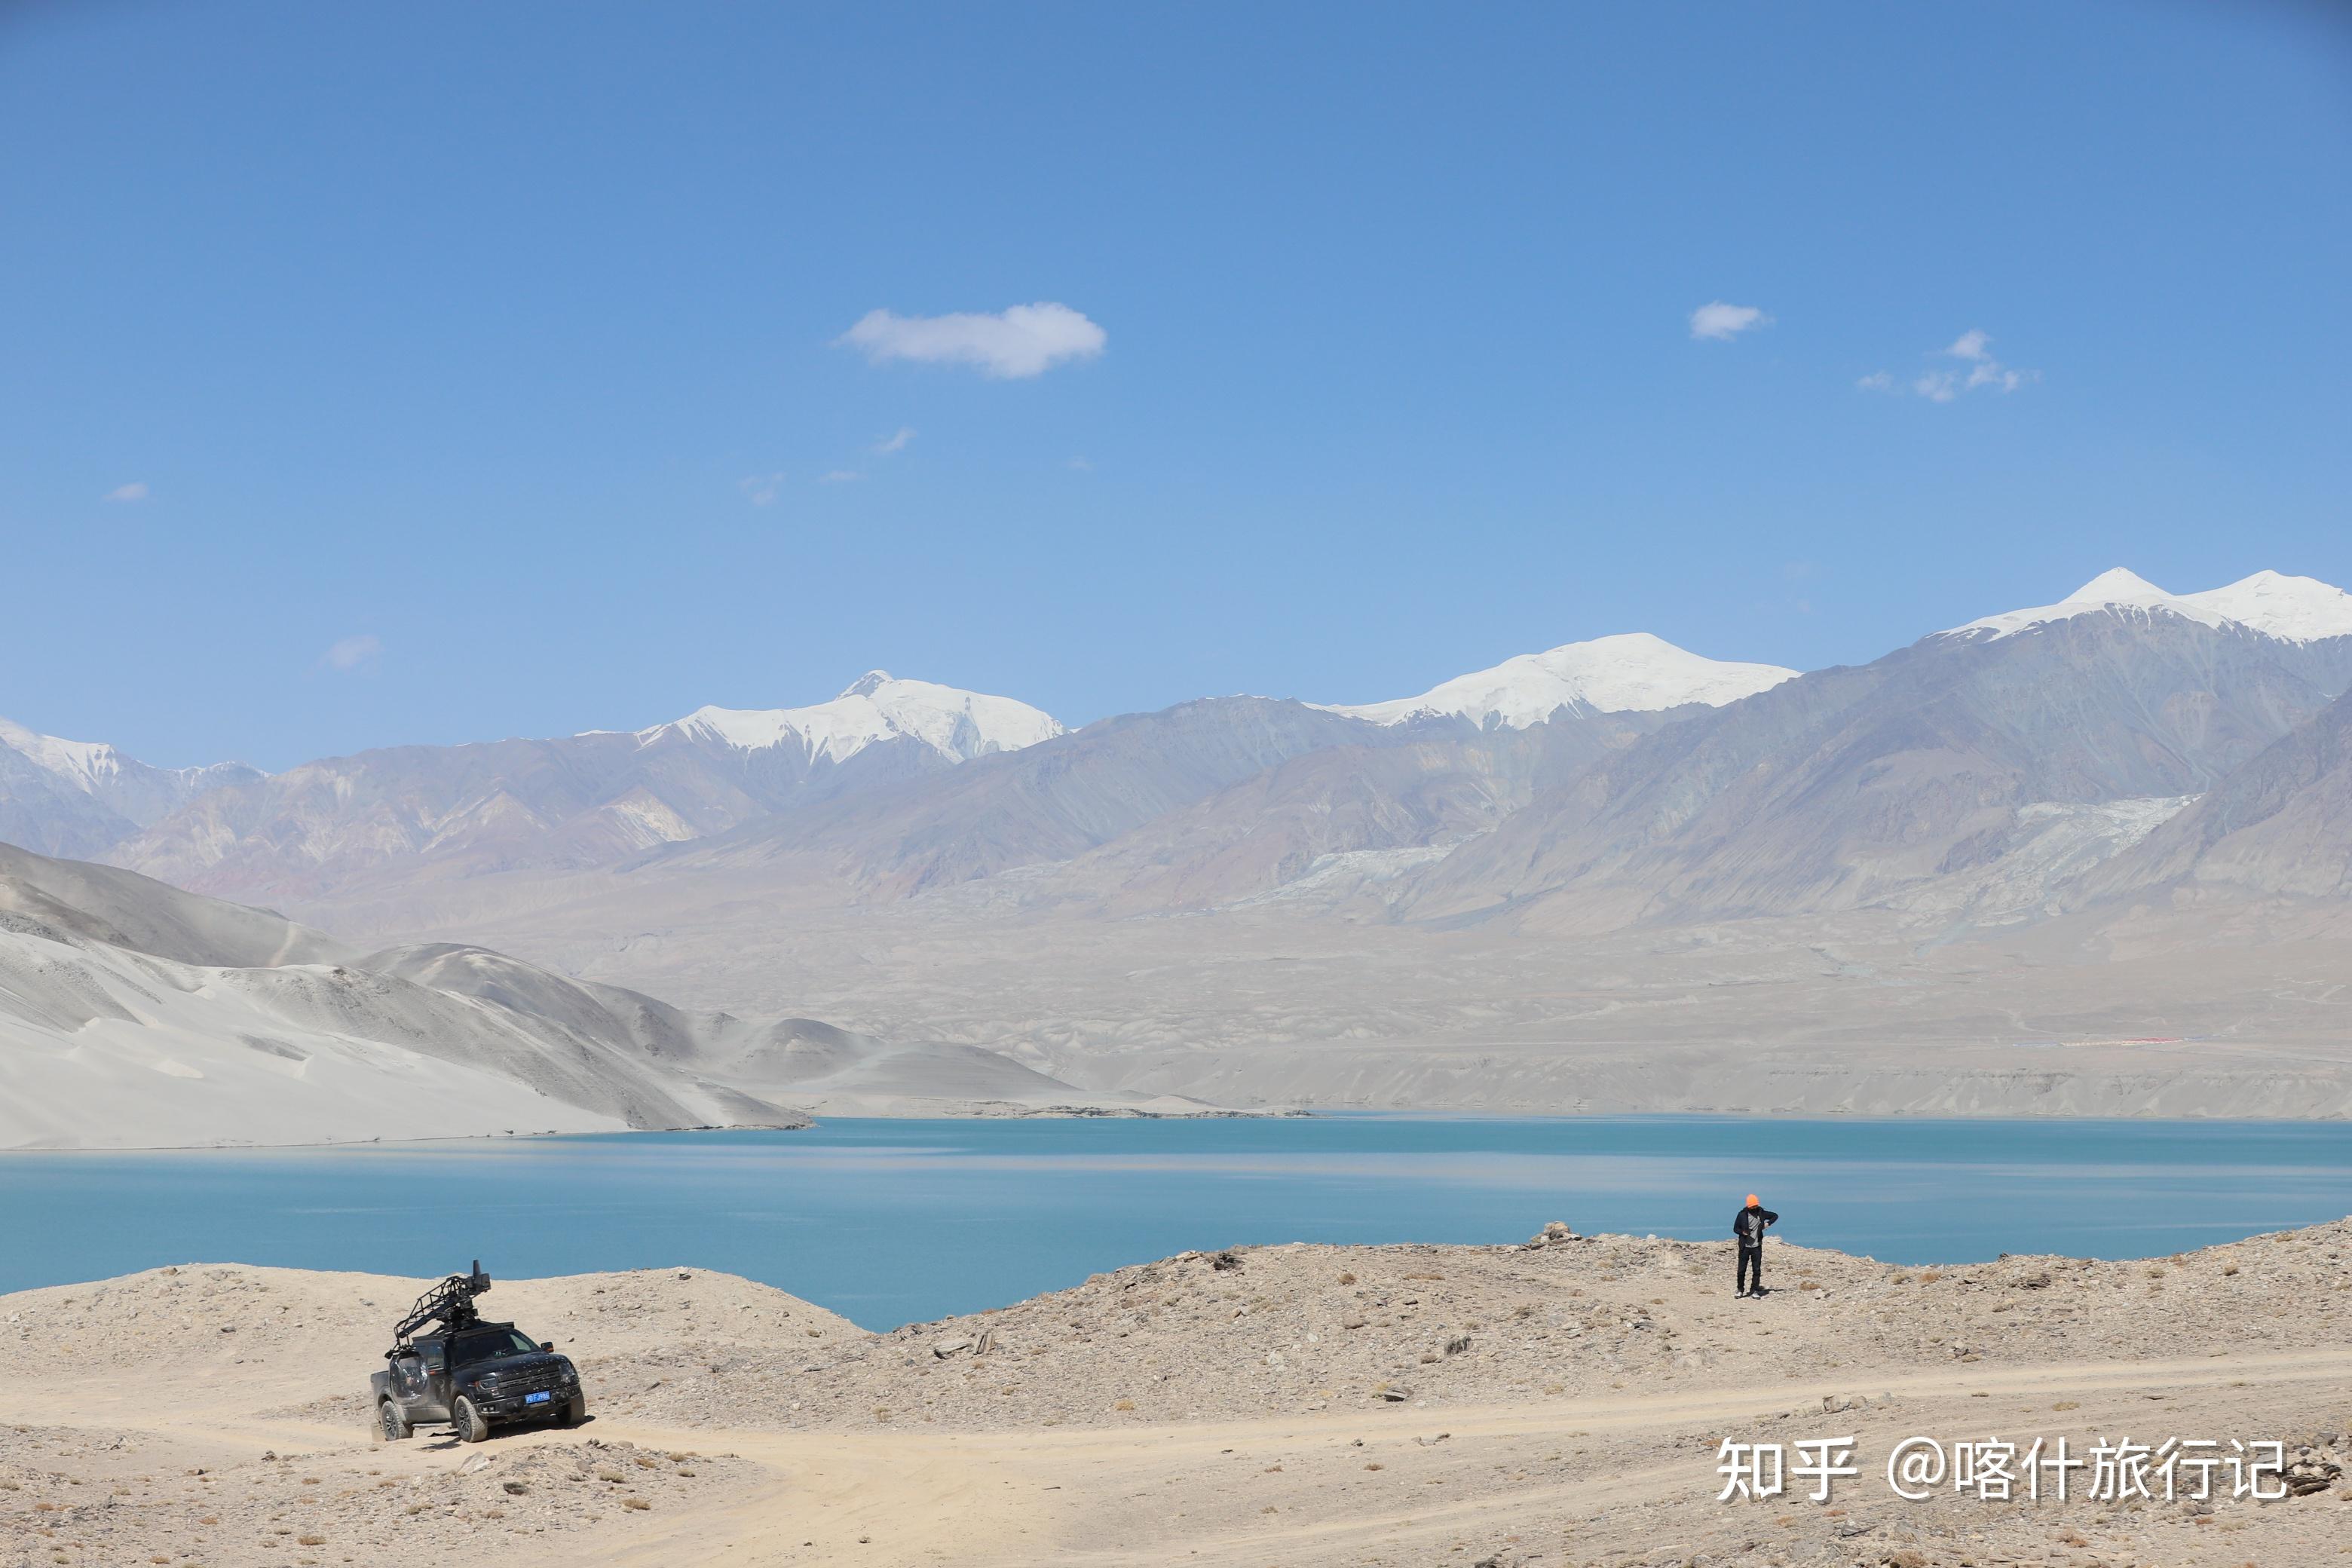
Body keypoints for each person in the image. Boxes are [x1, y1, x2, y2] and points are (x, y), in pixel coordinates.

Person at [1732, 1193, 1778, 1297]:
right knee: (1741, 1270)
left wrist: (1768, 1223)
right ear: (1748, 1206)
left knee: (1756, 1270)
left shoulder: (1761, 1213)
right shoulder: (1742, 1215)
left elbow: (1775, 1216)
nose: (1754, 1208)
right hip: (1745, 1247)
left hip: (1757, 1246)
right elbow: (1735, 1229)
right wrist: (1743, 1232)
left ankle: (1754, 1291)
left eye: (1755, 1206)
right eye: (1752, 1206)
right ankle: (1740, 1289)